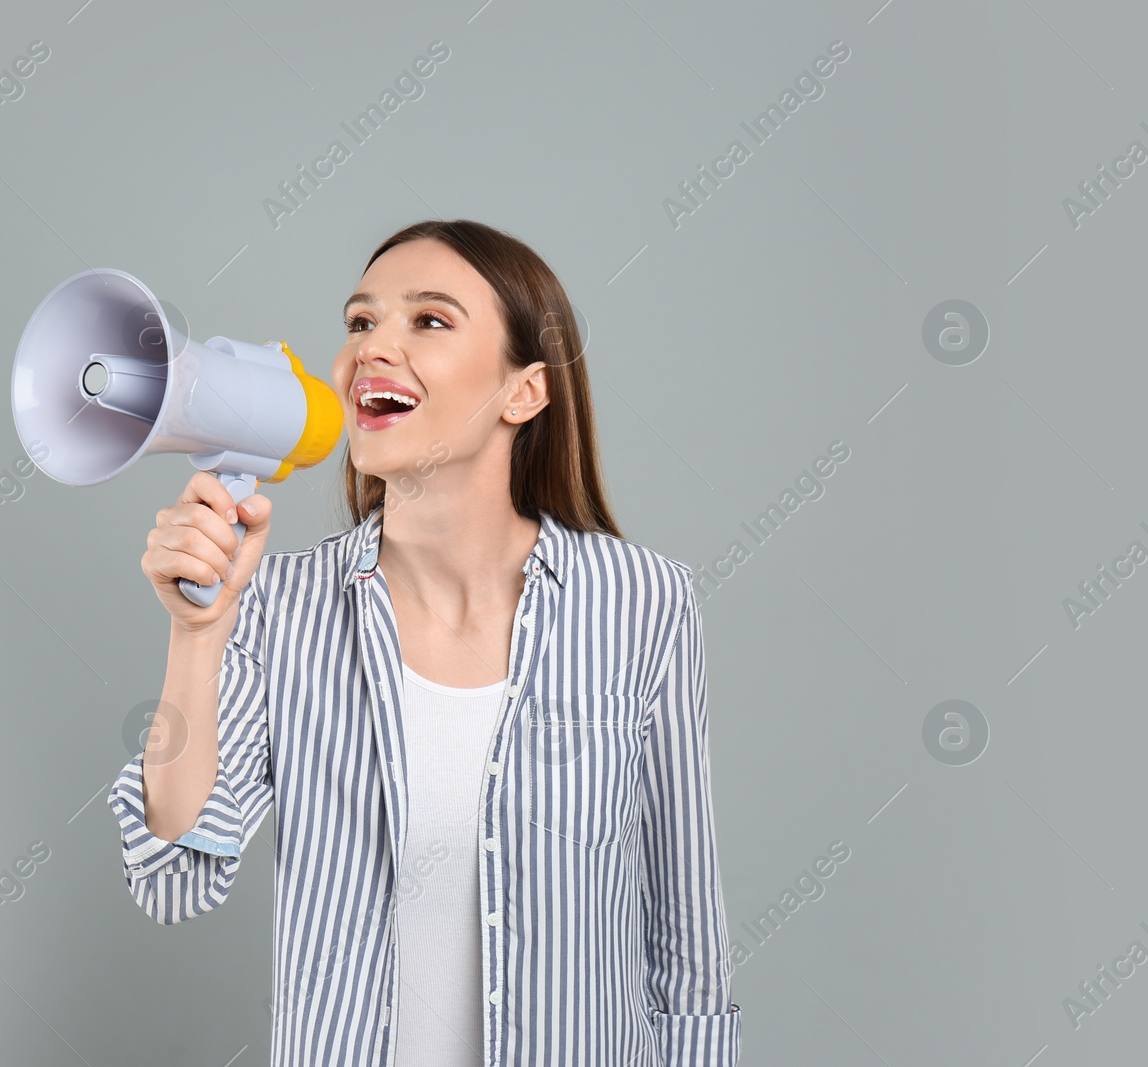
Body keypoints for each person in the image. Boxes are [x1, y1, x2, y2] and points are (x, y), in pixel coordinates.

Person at [109, 218, 741, 1066]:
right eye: (361, 321)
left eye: (429, 321)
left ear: (525, 391)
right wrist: (198, 633)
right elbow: (171, 869)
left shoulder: (642, 603)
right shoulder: (281, 606)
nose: (372, 348)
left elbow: (686, 934)